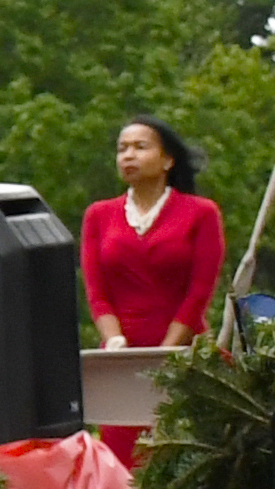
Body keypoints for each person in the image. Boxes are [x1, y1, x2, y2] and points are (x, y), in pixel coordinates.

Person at [81, 118, 227, 355]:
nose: (128, 155)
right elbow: (97, 293)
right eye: (122, 148)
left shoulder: (201, 213)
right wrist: (115, 343)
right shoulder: (98, 215)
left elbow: (199, 293)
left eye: (140, 147)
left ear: (168, 160)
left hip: (185, 355)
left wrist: (165, 353)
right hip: (120, 358)